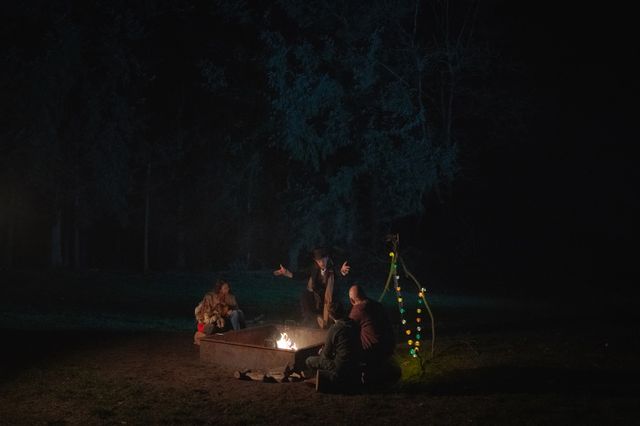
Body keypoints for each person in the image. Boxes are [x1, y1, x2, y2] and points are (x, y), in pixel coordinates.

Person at [273, 247, 350, 328]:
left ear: (327, 258)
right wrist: (286, 273)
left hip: (330, 299)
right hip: (317, 298)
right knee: (305, 299)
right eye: (319, 261)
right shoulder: (313, 268)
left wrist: (342, 272)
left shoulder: (332, 268)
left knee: (331, 318)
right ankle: (315, 321)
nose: (322, 263)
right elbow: (301, 275)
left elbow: (338, 272)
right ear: (316, 261)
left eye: (323, 260)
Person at [348, 284, 399, 385]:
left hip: (372, 351)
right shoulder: (377, 305)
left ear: (352, 300)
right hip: (388, 347)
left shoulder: (358, 310)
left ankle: (364, 373)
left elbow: (346, 329)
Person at [304, 302, 361, 392]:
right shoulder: (353, 324)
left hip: (339, 368)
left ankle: (320, 378)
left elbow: (326, 355)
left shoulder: (335, 329)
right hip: (354, 366)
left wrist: (321, 352)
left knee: (309, 360)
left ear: (330, 315)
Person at [193, 278, 245, 345]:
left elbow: (231, 308)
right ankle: (237, 334)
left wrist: (228, 311)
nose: (228, 289)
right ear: (220, 289)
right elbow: (205, 315)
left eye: (228, 287)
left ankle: (243, 332)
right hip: (216, 321)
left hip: (223, 318)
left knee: (239, 312)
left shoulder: (229, 297)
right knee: (235, 313)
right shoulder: (211, 298)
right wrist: (224, 313)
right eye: (225, 288)